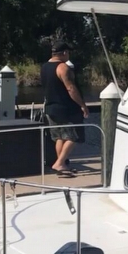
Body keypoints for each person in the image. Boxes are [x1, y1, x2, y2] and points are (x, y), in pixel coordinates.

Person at [41, 39, 89, 177]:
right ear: (64, 52)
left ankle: (62, 166)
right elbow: (71, 88)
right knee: (75, 135)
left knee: (59, 138)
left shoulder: (44, 67)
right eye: (68, 53)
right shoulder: (63, 67)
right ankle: (59, 163)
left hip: (51, 108)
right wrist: (82, 105)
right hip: (66, 109)